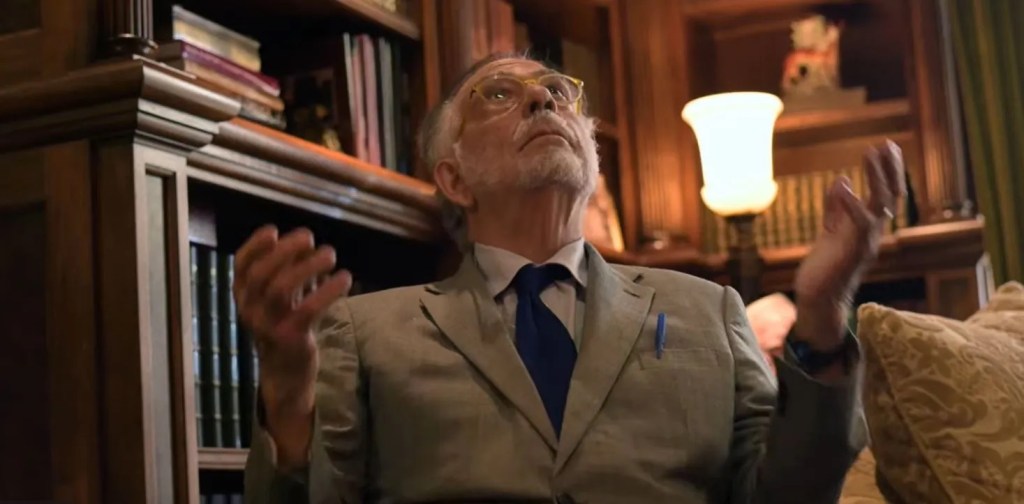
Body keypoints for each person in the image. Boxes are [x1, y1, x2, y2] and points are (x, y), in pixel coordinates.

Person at [238, 52, 906, 503]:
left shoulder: (709, 309)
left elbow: (794, 492)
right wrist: (289, 403)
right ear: (454, 179)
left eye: (559, 92)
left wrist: (823, 314)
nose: (542, 98)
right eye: (499, 94)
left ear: (591, 156)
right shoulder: (366, 331)